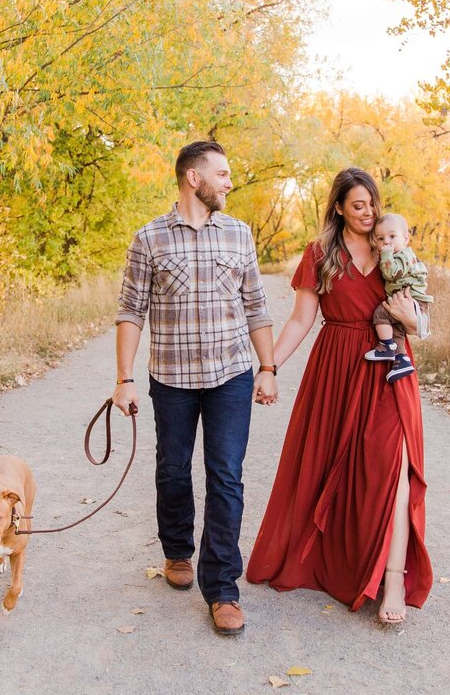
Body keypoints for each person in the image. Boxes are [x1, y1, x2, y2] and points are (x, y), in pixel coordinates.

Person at [246, 167, 433, 626]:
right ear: (339, 208)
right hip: (336, 368)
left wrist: (409, 321)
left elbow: (422, 323)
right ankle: (334, 563)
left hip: (390, 367)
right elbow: (299, 321)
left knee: (396, 471)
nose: (369, 213)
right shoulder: (321, 254)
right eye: (358, 205)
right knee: (326, 466)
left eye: (372, 203)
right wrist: (269, 368)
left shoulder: (393, 246)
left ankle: (391, 579)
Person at [112, 140, 277, 636]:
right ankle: (177, 549)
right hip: (172, 379)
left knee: (226, 476)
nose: (230, 182)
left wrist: (268, 367)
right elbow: (130, 312)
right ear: (193, 178)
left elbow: (256, 306)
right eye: (222, 174)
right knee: (173, 470)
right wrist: (124, 379)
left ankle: (223, 587)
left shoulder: (240, 235)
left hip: (230, 375)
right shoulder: (149, 239)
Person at [364, 212, 433, 383]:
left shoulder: (404, 256)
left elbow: (391, 273)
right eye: (380, 239)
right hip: (408, 301)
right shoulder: (398, 255)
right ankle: (402, 360)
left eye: (392, 236)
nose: (386, 242)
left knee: (381, 313)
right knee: (397, 330)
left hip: (412, 301)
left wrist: (385, 255)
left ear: (406, 239)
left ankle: (387, 346)